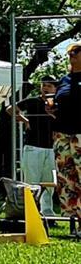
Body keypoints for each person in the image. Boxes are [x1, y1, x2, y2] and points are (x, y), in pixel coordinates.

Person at [6, 77, 58, 214]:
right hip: (33, 147)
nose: (45, 88)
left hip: (51, 148)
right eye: (43, 85)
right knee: (31, 182)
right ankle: (31, 212)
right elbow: (10, 109)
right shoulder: (32, 101)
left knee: (49, 183)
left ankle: (47, 213)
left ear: (55, 89)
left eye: (49, 86)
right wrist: (25, 120)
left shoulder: (58, 104)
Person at [47, 42, 81, 225]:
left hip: (80, 134)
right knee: (66, 178)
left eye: (77, 51)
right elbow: (58, 103)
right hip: (61, 134)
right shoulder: (64, 80)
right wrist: (51, 108)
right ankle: (72, 220)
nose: (72, 54)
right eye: (70, 52)